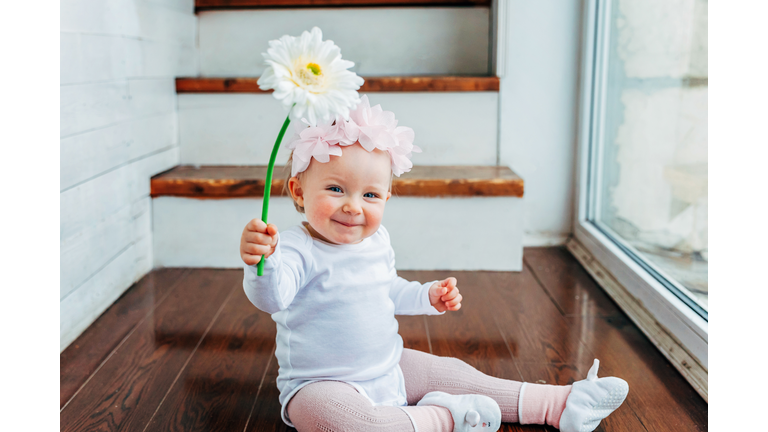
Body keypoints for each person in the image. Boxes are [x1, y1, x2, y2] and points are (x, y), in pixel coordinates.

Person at [240, 96, 628, 432]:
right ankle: (444, 418)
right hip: (320, 386)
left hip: (389, 367)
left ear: (387, 199)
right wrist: (263, 263)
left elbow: (387, 290)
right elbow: (273, 297)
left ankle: (560, 404)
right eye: (336, 189)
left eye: (370, 194)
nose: (353, 206)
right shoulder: (293, 247)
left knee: (454, 373)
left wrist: (427, 296)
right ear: (298, 190)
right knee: (335, 424)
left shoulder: (377, 241)